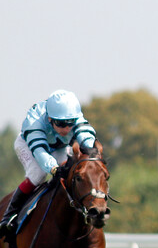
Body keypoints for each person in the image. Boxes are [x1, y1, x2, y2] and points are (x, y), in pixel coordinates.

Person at [0, 90, 97, 235]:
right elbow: (40, 152)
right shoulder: (35, 122)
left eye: (70, 123)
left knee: (73, 171)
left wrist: (90, 148)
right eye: (61, 123)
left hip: (58, 147)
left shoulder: (73, 114)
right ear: (50, 119)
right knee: (38, 175)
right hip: (29, 146)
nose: (66, 128)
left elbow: (85, 133)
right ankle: (9, 214)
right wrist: (53, 168)